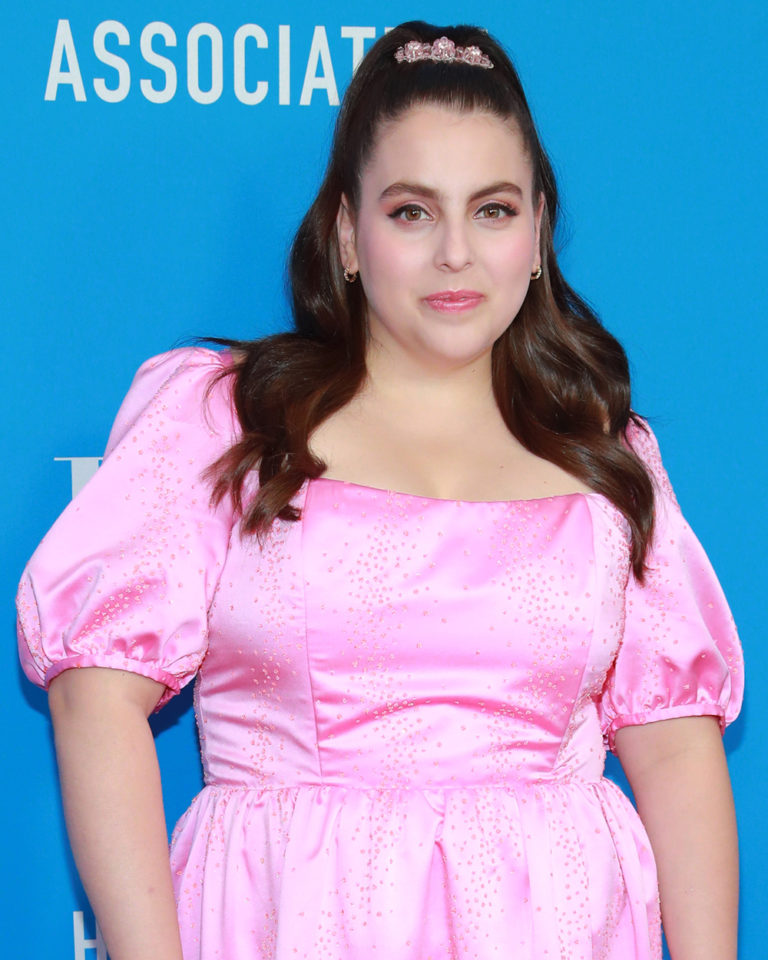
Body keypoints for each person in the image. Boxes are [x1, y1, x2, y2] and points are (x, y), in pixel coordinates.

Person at [16, 20, 742, 960]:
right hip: (292, 924)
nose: (455, 254)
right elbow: (92, 699)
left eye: (492, 209)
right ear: (347, 236)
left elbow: (678, 753)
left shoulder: (608, 459)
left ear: (538, 233)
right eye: (411, 211)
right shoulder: (226, 422)